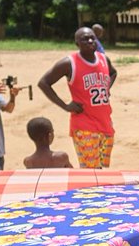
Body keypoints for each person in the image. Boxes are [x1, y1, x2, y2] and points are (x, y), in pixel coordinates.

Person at [38, 26, 117, 169]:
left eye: (93, 37)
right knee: (90, 170)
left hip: (105, 122)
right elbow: (43, 83)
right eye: (85, 39)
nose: (90, 41)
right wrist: (65, 106)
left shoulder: (104, 59)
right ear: (77, 43)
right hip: (84, 124)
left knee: (100, 168)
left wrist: (106, 87)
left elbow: (113, 73)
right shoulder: (69, 63)